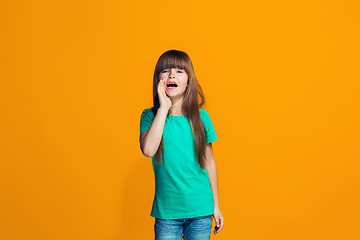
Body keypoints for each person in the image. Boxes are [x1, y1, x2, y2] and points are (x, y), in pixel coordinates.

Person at [139, 49, 224, 240]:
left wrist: (216, 205)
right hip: (167, 213)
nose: (171, 75)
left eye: (179, 71)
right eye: (166, 70)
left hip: (200, 210)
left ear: (188, 81)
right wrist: (164, 109)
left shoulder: (201, 117)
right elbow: (148, 150)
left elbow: (209, 163)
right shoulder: (150, 116)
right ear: (158, 79)